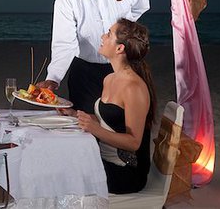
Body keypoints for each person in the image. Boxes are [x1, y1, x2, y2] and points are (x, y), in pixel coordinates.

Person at [37, 0, 150, 114]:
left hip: (125, 65)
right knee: (86, 125)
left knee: (129, 121)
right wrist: (53, 79)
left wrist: (123, 32)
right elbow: (65, 44)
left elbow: (141, 6)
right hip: (86, 71)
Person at [59, 18, 156, 194]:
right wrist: (75, 114)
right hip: (103, 161)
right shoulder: (109, 78)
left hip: (126, 172)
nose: (103, 36)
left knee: (62, 172)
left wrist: (94, 129)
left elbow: (134, 143)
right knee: (59, 161)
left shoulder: (134, 87)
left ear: (120, 48)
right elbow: (109, 121)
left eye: (109, 34)